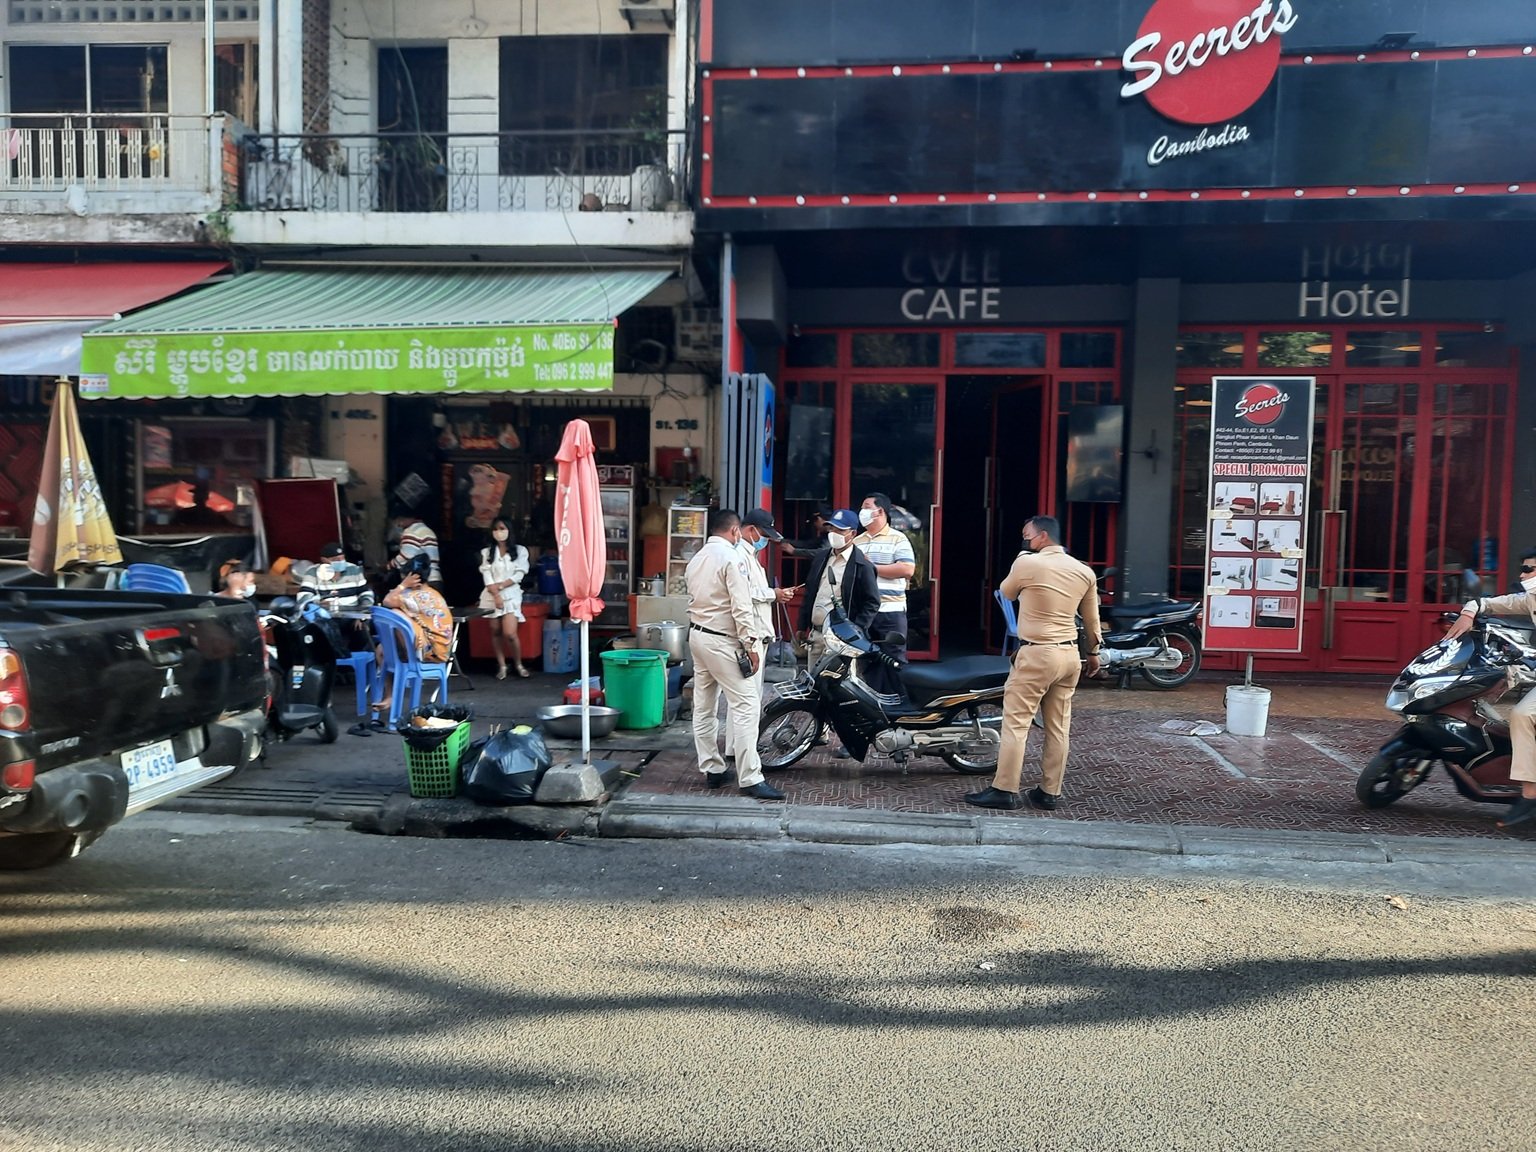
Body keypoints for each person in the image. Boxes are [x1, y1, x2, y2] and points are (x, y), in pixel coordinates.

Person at [965, 515, 1102, 812]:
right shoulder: (1083, 571)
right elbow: (1091, 619)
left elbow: (1007, 591)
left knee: (1016, 724)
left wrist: (1021, 557)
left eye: (1027, 536)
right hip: (1069, 656)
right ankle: (1049, 792)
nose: (1024, 541)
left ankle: (1004, 789)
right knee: (1058, 727)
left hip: (1037, 654)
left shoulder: (1027, 562)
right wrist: (1093, 652)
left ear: (1041, 537)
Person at [685, 508, 783, 801]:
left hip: (697, 636)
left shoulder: (697, 558)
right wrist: (751, 646)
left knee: (704, 705)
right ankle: (750, 776)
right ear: (735, 531)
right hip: (723, 641)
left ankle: (712, 768)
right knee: (746, 706)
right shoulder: (731, 558)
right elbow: (741, 607)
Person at [1443, 548, 1536, 827]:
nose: (1522, 575)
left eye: (1529, 569)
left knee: (1524, 714)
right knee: (1518, 713)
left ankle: (1529, 799)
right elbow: (1495, 603)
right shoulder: (1531, 598)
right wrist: (1468, 612)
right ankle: (1528, 793)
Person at [722, 508, 798, 762]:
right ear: (751, 529)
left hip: (757, 633)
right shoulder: (738, 555)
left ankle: (741, 746)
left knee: (748, 698)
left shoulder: (750, 555)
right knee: (746, 699)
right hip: (748, 635)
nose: (765, 540)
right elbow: (744, 593)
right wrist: (773, 594)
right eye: (763, 534)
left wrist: (773, 594)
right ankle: (741, 751)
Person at [797, 509, 880, 668]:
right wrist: (802, 625)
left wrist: (856, 630)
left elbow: (872, 602)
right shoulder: (822, 557)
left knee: (836, 687)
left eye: (840, 530)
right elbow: (810, 594)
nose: (834, 533)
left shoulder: (861, 565)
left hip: (841, 640)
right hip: (816, 635)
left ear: (853, 534)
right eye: (832, 528)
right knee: (814, 687)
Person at [854, 491, 917, 694]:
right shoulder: (857, 541)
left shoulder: (898, 539)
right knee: (868, 661)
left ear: (879, 511)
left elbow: (907, 570)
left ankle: (901, 705)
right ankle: (875, 707)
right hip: (864, 612)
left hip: (891, 611)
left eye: (866, 506)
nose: (861, 511)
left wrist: (871, 567)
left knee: (894, 660)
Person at [478, 516, 530, 680]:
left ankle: (518, 664)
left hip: (511, 594)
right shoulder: (487, 552)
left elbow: (519, 574)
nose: (499, 532)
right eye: (496, 529)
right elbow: (486, 574)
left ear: (509, 530)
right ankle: (502, 665)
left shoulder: (520, 550)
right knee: (495, 630)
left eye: (502, 528)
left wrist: (500, 587)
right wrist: (495, 593)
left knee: (510, 633)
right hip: (490, 595)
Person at [383, 553, 453, 664]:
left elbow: (387, 601)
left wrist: (403, 585)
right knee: (381, 650)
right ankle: (398, 680)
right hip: (440, 649)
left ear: (412, 578)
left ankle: (409, 662)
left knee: (396, 614)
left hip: (433, 651)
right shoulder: (432, 593)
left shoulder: (416, 596)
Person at [297, 542, 374, 614]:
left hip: (352, 615)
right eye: (336, 559)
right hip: (324, 615)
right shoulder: (312, 572)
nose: (341, 561)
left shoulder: (354, 569)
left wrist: (363, 614)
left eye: (342, 558)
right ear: (324, 560)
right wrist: (317, 603)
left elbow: (366, 593)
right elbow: (304, 596)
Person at [388, 503, 442, 588]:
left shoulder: (411, 532)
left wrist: (388, 566)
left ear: (402, 518)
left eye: (399, 521)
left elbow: (404, 558)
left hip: (422, 582)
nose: (399, 524)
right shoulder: (428, 530)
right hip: (435, 578)